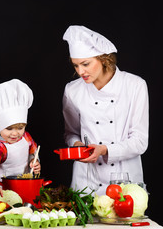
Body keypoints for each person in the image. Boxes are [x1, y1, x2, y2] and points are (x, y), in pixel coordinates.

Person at [62, 25, 149, 195]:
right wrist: (77, 146)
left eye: (85, 64)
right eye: (75, 66)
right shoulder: (72, 90)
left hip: (125, 183)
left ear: (103, 58)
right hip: (86, 184)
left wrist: (104, 150)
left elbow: (140, 141)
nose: (80, 71)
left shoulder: (134, 85)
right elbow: (70, 134)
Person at [0, 79, 41, 201]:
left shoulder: (26, 137)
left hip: (24, 186)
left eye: (20, 128)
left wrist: (34, 163)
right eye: (9, 129)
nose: (15, 133)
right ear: (0, 126)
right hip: (3, 191)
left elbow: (33, 152)